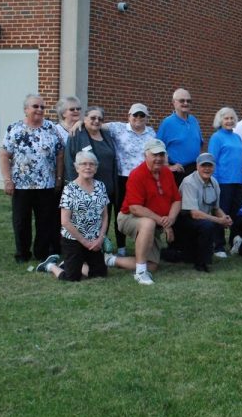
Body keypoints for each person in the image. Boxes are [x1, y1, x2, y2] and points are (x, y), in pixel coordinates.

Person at [0, 94, 64, 262]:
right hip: (21, 185)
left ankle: (41, 253)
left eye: (42, 107)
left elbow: (60, 154)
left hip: (47, 185)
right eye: (36, 106)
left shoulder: (51, 127)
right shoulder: (14, 129)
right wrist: (7, 180)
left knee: (45, 222)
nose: (40, 110)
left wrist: (58, 178)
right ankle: (22, 253)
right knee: (21, 222)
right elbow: (4, 155)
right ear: (26, 109)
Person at [111, 139, 182, 285]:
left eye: (161, 154)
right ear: (145, 155)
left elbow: (177, 200)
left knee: (153, 265)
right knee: (148, 223)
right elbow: (135, 208)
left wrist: (171, 219)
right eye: (154, 154)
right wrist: (163, 222)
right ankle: (141, 272)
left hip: (155, 221)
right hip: (128, 217)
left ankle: (111, 260)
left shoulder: (167, 173)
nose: (158, 158)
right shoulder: (137, 174)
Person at [35, 151, 109, 281]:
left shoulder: (101, 186)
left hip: (94, 239)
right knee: (72, 278)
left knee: (100, 274)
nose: (88, 167)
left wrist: (100, 239)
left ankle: (70, 264)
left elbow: (105, 215)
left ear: (96, 168)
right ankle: (51, 266)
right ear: (77, 168)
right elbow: (65, 221)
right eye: (84, 164)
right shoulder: (70, 189)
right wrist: (85, 242)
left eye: (92, 164)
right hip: (73, 240)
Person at [104, 103, 157, 257]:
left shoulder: (151, 133)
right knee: (121, 211)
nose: (138, 118)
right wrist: (80, 122)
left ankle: (143, 244)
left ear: (147, 117)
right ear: (129, 116)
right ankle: (121, 247)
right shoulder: (118, 128)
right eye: (135, 115)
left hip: (142, 179)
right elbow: (96, 124)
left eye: (142, 115)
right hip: (122, 177)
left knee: (141, 213)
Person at [174, 153, 233, 272]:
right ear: (197, 166)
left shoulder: (214, 182)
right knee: (208, 225)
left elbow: (216, 208)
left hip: (201, 220)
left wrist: (225, 217)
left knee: (207, 225)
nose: (207, 168)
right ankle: (201, 264)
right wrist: (219, 220)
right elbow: (194, 213)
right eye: (203, 165)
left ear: (214, 167)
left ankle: (199, 257)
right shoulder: (189, 182)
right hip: (184, 221)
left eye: (210, 165)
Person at [65, 106, 118, 234]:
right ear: (85, 119)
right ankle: (84, 248)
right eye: (93, 118)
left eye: (100, 119)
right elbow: (69, 161)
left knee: (104, 220)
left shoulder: (106, 134)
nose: (96, 121)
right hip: (86, 189)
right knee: (85, 222)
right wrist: (77, 187)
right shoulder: (76, 134)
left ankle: (102, 247)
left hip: (106, 188)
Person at [207, 107, 242, 257]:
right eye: (226, 118)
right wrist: (213, 181)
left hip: (238, 181)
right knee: (222, 213)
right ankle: (219, 247)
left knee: (237, 214)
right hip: (222, 182)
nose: (229, 121)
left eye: (232, 118)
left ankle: (234, 243)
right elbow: (212, 160)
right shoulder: (216, 137)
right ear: (220, 121)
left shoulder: (237, 137)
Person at [157, 87, 203, 185]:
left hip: (194, 170)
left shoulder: (194, 121)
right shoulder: (167, 123)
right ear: (174, 102)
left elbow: (199, 143)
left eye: (188, 101)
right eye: (182, 100)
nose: (186, 103)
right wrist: (167, 166)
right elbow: (158, 147)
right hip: (178, 172)